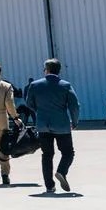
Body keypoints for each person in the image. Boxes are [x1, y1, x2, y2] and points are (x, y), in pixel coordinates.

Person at [25, 58, 80, 194]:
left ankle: (49, 186)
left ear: (47, 70)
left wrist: (40, 111)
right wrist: (75, 121)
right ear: (59, 70)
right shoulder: (65, 85)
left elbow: (29, 103)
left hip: (43, 124)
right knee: (68, 152)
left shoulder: (35, 85)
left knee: (47, 155)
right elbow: (74, 106)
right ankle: (61, 171)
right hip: (61, 125)